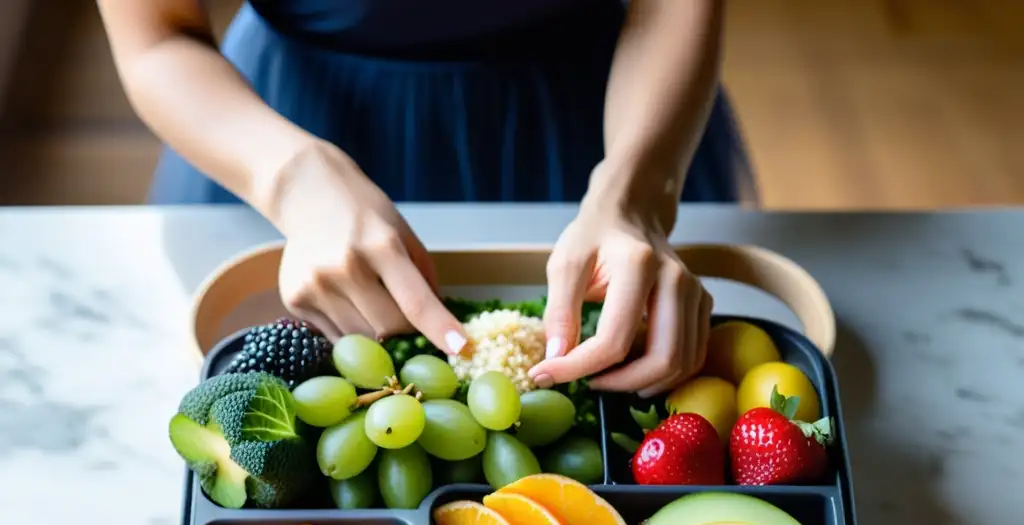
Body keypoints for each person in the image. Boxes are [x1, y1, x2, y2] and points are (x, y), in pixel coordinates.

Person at [98, 0, 754, 397]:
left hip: (600, 115)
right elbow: (157, 35)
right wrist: (293, 178)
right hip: (280, 127)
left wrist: (636, 189)